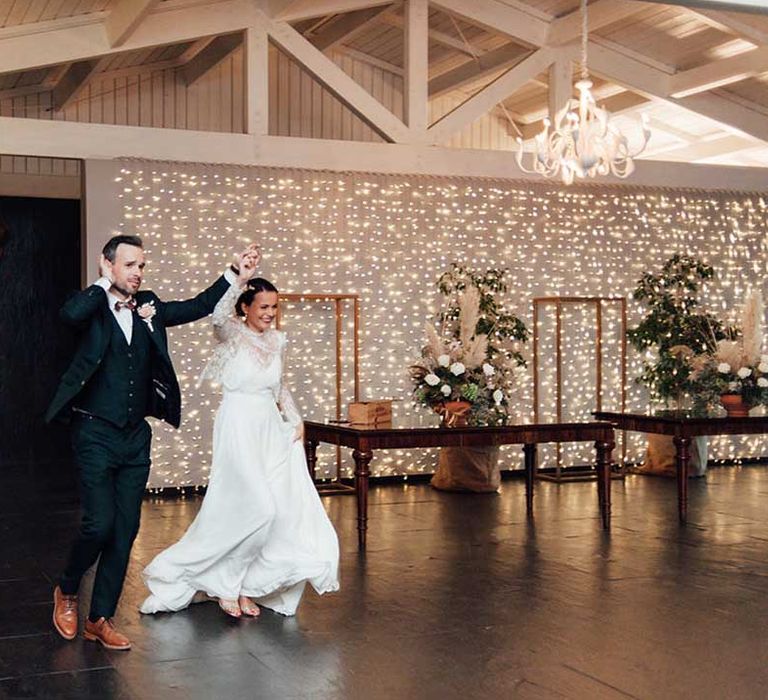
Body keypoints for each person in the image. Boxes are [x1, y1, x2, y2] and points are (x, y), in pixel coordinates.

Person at [46, 234, 260, 650]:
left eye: (141, 265)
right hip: (93, 431)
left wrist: (236, 274)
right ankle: (67, 588)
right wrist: (103, 286)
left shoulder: (151, 306)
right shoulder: (90, 306)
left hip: (134, 437)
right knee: (98, 523)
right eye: (130, 265)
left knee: (125, 530)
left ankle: (100, 617)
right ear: (107, 265)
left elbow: (197, 306)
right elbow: (69, 315)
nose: (138, 272)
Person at [139, 278, 339, 619]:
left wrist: (296, 419)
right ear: (245, 307)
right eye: (263, 307)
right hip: (238, 424)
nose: (270, 314)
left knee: (279, 509)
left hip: (269, 428)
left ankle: (249, 586)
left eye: (274, 307)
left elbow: (279, 386)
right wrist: (238, 278)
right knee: (258, 507)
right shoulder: (231, 332)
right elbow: (217, 314)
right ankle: (225, 585)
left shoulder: (277, 340)